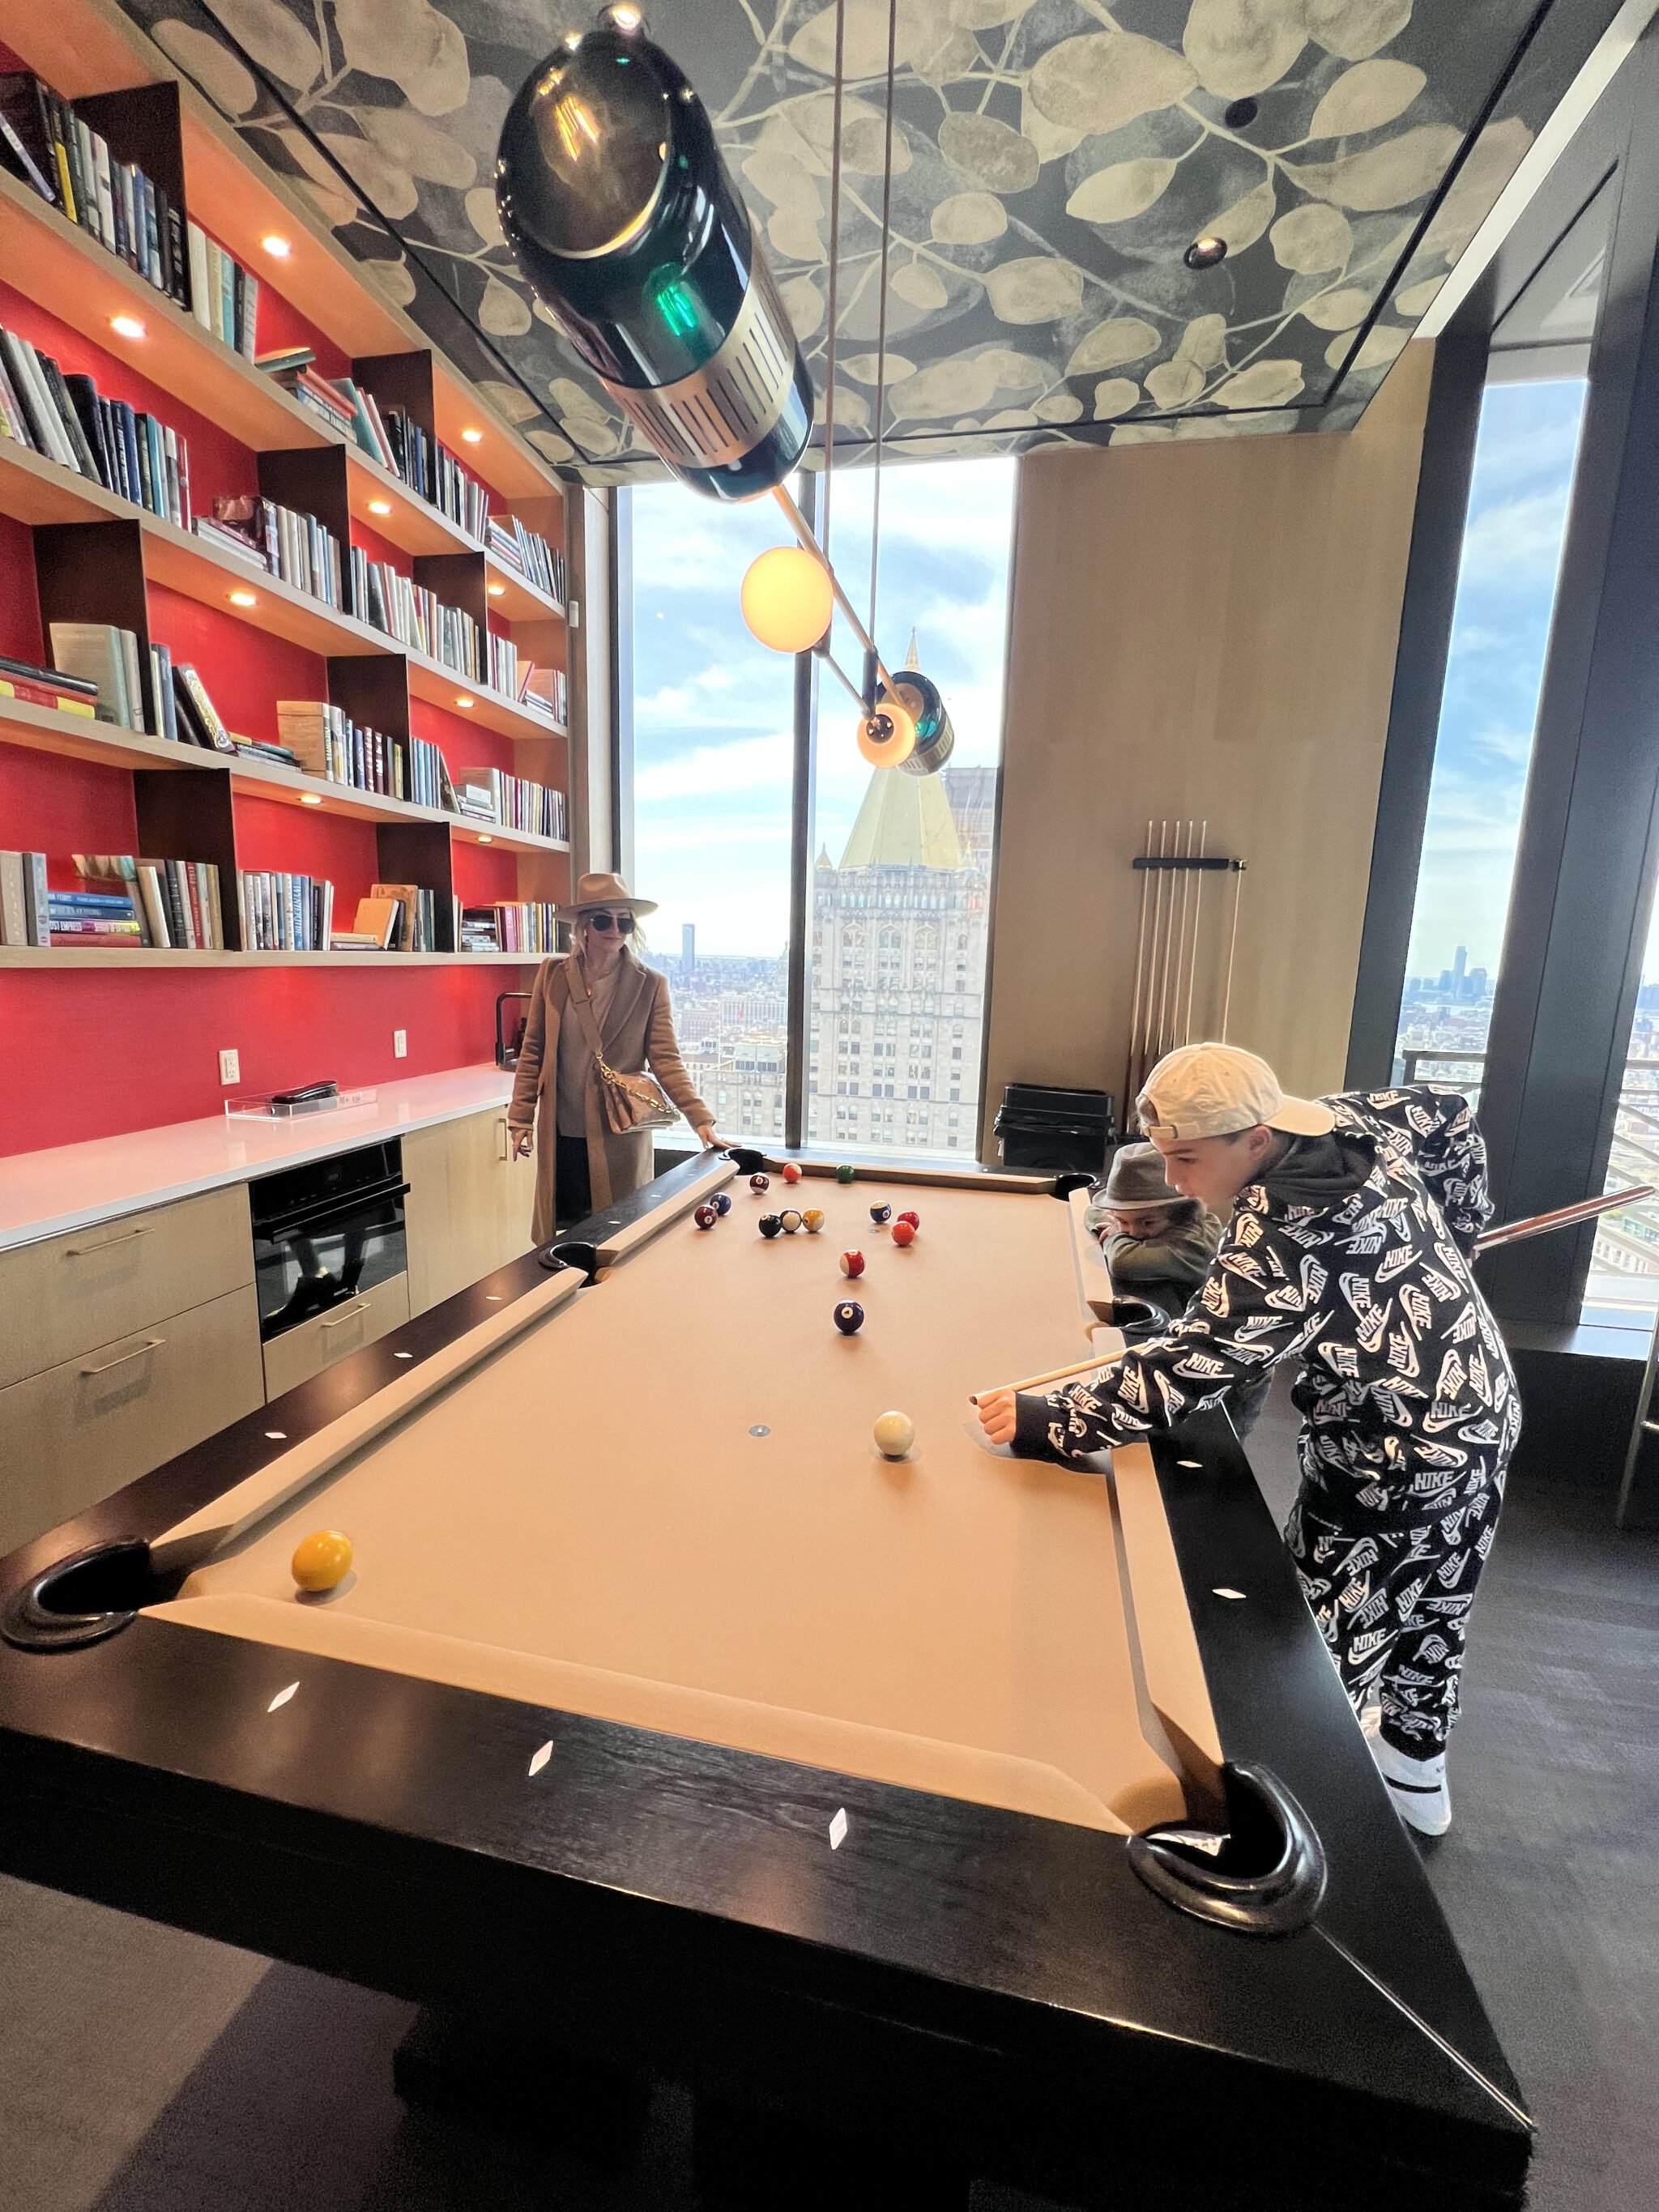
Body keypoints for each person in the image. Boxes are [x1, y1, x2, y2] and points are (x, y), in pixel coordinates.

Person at [976, 1043, 1520, 1839]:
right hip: (1483, 1411)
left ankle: (1300, 1849)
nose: (1172, 1182)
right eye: (1163, 1156)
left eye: (1187, 1160)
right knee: (1435, 1600)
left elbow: (1185, 1368)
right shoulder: (1352, 1117)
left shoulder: (1280, 1239)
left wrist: (1046, 1420)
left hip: (1390, 1460)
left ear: (1255, 1139)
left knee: (1307, 1658)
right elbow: (1450, 1117)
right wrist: (1461, 1230)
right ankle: (1414, 1772)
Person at [507, 872, 719, 1242]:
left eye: (625, 920)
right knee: (566, 1234)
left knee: (617, 1233)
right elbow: (534, 1049)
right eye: (604, 920)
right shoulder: (552, 975)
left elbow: (666, 1059)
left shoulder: (649, 984)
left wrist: (699, 1118)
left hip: (617, 1132)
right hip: (561, 1132)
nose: (615, 929)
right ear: (583, 927)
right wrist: (521, 1115)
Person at [1085, 1141, 1221, 1326]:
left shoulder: (1196, 1242)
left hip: (1198, 1331)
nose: (1133, 1232)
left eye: (1147, 1222)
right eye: (1123, 1221)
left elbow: (1122, 1262)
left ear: (1180, 1213)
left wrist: (1116, 1233)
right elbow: (1093, 1210)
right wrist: (1114, 1222)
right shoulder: (1156, 1220)